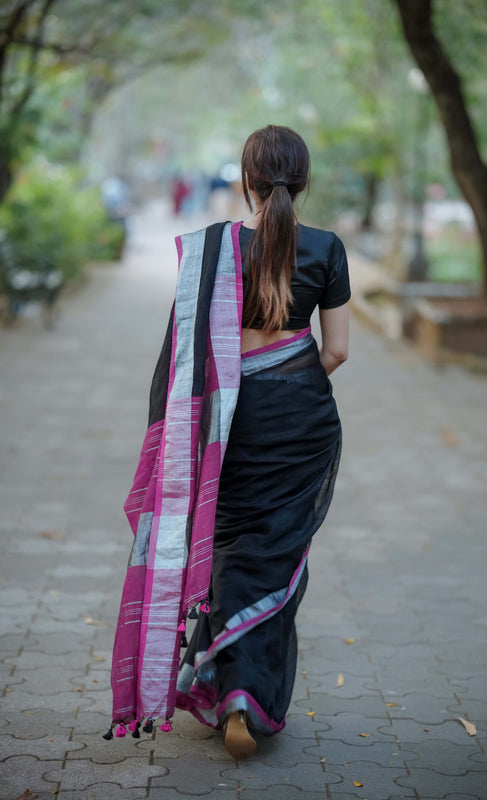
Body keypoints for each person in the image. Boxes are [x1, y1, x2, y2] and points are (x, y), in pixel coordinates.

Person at [107, 125, 350, 761]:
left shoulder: (211, 249)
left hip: (226, 422)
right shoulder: (326, 247)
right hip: (301, 422)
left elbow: (190, 354)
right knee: (274, 553)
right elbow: (339, 351)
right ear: (303, 180)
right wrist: (290, 385)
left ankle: (228, 686)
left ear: (246, 179)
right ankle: (247, 693)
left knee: (226, 545)